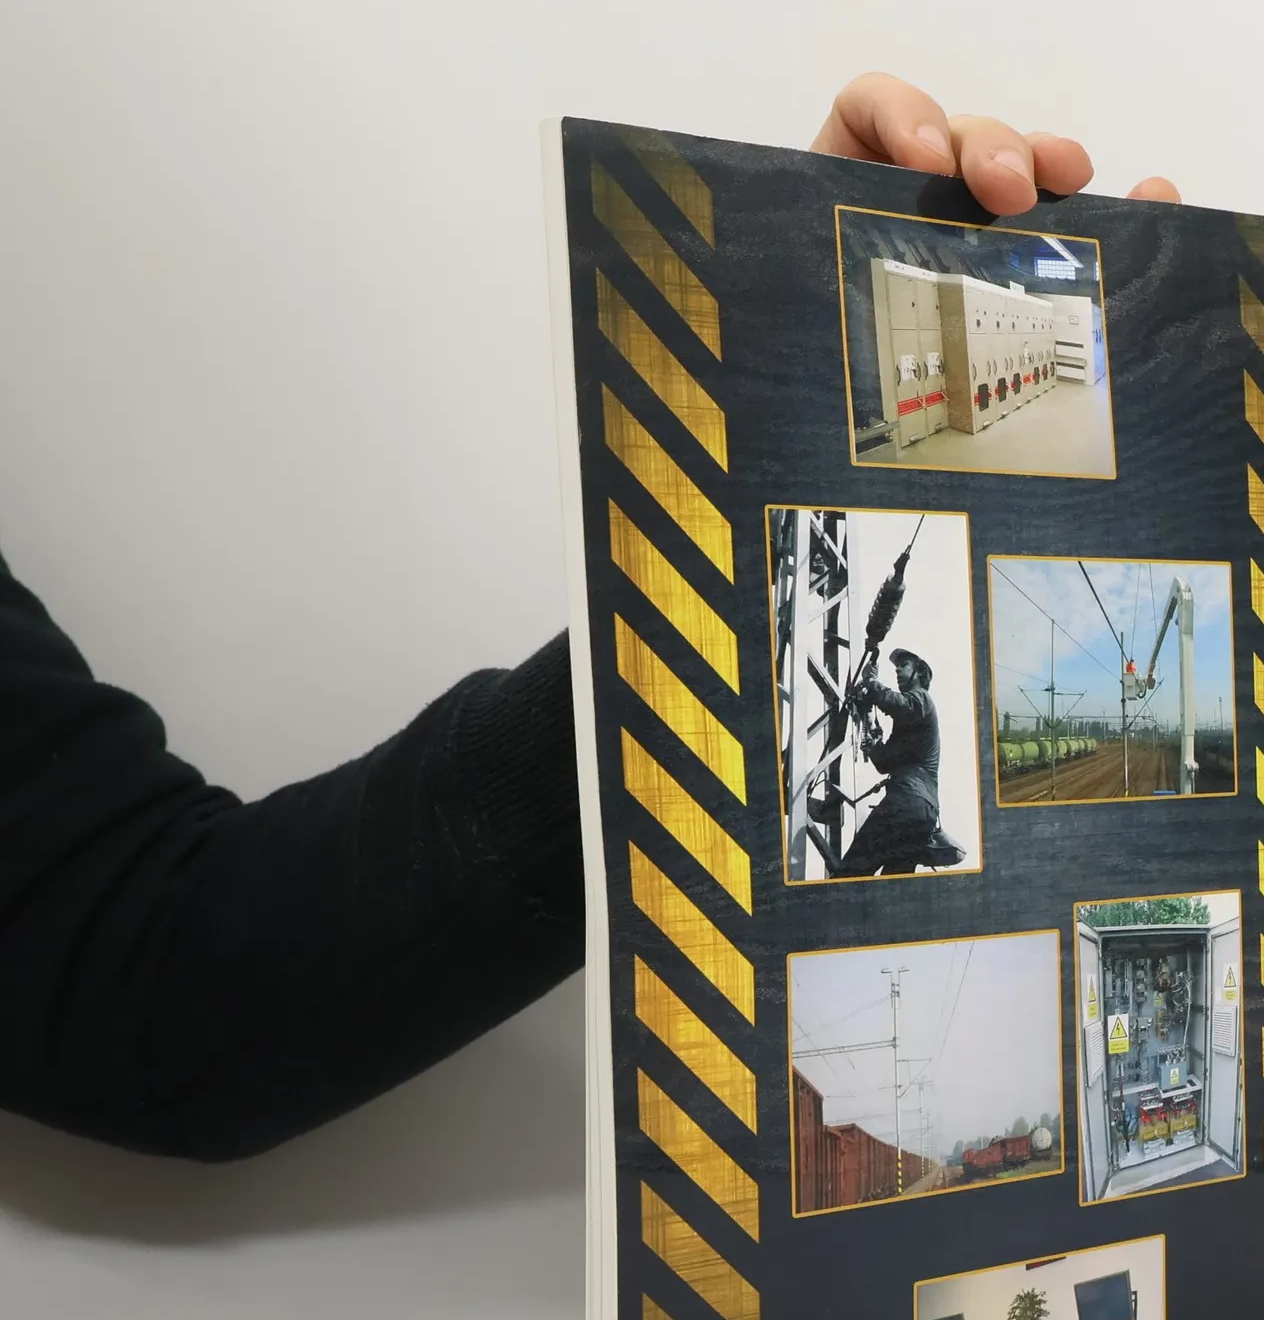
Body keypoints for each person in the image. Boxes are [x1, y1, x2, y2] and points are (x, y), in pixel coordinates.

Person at [0, 73, 1178, 1162]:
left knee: (890, 905)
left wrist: (784, 456)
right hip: (899, 810)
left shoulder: (914, 709)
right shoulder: (910, 709)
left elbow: (151, 976)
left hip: (903, 809)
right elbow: (146, 988)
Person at [836, 647, 961, 876]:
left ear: (919, 672)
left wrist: (871, 682)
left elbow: (899, 704)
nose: (897, 670)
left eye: (904, 665)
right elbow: (884, 764)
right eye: (896, 667)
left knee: (852, 871)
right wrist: (872, 735)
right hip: (921, 814)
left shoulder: (922, 699)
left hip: (907, 802)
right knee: (894, 881)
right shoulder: (909, 726)